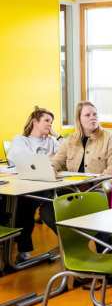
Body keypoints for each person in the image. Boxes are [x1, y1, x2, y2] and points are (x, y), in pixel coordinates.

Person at [46, 101, 112, 232]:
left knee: (96, 216)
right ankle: (72, 239)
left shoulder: (109, 137)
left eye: (95, 114)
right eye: (87, 115)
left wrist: (95, 183)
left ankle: (98, 244)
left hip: (97, 191)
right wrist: (50, 169)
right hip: (72, 190)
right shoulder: (71, 139)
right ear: (79, 119)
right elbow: (57, 160)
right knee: (47, 211)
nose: (93, 117)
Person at [7, 107, 60, 262]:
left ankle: (69, 244)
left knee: (28, 205)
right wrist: (49, 158)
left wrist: (57, 137)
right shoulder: (21, 140)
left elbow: (64, 156)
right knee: (23, 205)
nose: (50, 125)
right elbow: (22, 160)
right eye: (46, 120)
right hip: (26, 185)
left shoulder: (51, 141)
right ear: (35, 122)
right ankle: (23, 250)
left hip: (48, 186)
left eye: (51, 122)